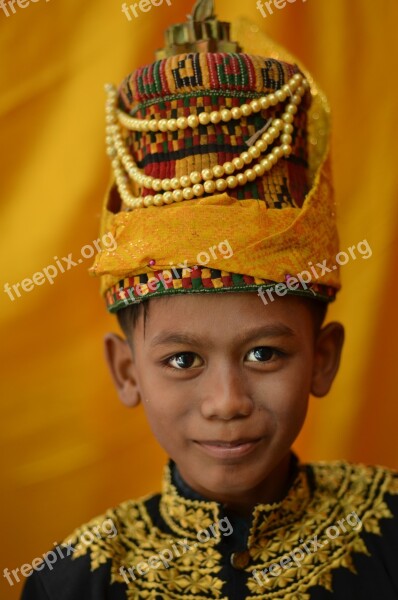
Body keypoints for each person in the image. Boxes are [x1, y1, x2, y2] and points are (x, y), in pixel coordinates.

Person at [20, 1, 398, 598]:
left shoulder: (388, 534)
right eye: (182, 360)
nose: (227, 403)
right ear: (126, 371)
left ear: (323, 358)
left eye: (264, 354)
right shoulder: (72, 582)